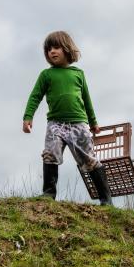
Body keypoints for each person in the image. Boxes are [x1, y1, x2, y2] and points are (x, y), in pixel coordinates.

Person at [22, 31, 112, 205]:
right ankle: (48, 193)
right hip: (55, 124)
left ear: (67, 49)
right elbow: (35, 96)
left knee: (89, 159)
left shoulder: (78, 74)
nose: (52, 52)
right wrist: (28, 116)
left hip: (79, 124)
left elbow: (87, 99)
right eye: (48, 49)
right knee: (50, 154)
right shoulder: (46, 75)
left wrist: (93, 122)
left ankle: (106, 199)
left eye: (56, 47)